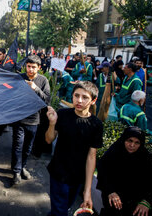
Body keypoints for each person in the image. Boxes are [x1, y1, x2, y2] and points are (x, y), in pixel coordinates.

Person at [45, 81, 103, 216]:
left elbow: (91, 156)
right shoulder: (63, 114)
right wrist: (52, 123)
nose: (79, 100)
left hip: (77, 177)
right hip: (59, 173)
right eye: (76, 96)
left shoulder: (96, 125)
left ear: (93, 101)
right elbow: (48, 139)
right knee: (60, 211)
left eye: (85, 97)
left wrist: (87, 190)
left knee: (64, 208)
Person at [97, 126, 152, 216]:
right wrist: (110, 191)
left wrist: (146, 201)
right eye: (129, 141)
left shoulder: (146, 158)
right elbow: (103, 173)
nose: (132, 145)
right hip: (116, 196)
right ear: (124, 139)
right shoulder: (114, 153)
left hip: (138, 198)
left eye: (137, 143)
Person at [11, 55, 50, 185]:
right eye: (28, 66)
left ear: (39, 68)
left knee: (28, 147)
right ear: (25, 66)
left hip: (34, 119)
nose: (31, 69)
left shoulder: (43, 81)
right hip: (19, 118)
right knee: (18, 145)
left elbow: (46, 100)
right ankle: (16, 171)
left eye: (34, 67)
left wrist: (35, 88)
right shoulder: (20, 78)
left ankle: (22, 167)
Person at [119, 90, 152, 155]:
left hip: (122, 133)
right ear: (140, 100)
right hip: (133, 138)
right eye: (144, 99)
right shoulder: (140, 114)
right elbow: (143, 131)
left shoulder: (124, 107)